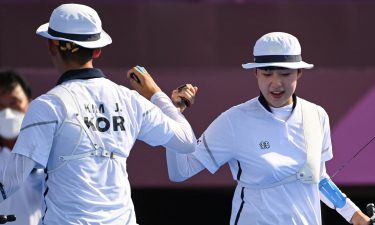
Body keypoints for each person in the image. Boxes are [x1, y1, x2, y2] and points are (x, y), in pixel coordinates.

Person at [0, 3, 197, 225]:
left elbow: (12, 179)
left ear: (51, 46)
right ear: (97, 50)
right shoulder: (130, 100)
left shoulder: (48, 105)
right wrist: (157, 95)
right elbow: (186, 141)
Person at [146, 32, 371, 225]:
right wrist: (173, 115)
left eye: (285, 73)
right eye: (267, 73)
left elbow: (318, 178)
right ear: (255, 73)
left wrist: (353, 214)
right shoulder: (234, 120)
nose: (276, 83)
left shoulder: (317, 115)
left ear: (299, 73)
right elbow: (180, 172)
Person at [0, 70, 43, 225]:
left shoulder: (49, 150)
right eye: (0, 106)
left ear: (29, 104)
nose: (7, 114)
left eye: (14, 103)